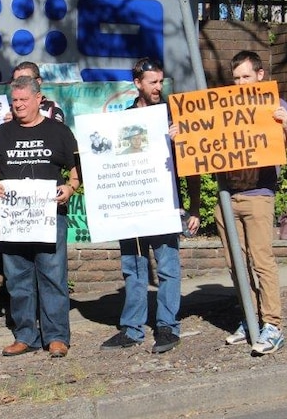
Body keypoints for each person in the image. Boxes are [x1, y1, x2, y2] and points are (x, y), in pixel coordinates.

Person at [100, 58, 201, 354]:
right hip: (133, 205)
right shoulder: (123, 120)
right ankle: (132, 329)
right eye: (152, 82)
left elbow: (192, 165)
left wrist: (194, 206)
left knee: (168, 266)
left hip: (166, 205)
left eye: (161, 82)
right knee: (133, 266)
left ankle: (168, 326)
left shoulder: (174, 117)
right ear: (138, 83)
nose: (158, 87)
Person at [0, 76, 80, 358]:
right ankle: (26, 336)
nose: (19, 105)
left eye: (24, 100)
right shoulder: (2, 133)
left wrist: (70, 188)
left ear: (39, 99)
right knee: (17, 279)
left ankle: (57, 337)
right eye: (15, 101)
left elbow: (76, 171)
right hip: (15, 220)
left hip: (49, 216)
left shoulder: (59, 132)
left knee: (53, 276)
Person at [217, 50, 287, 356]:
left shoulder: (275, 106)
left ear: (260, 75)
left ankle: (273, 325)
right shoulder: (221, 109)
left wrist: (285, 127)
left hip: (259, 196)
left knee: (261, 262)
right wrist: (181, 138)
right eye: (236, 78)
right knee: (235, 265)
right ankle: (250, 320)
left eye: (245, 76)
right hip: (227, 198)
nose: (240, 83)